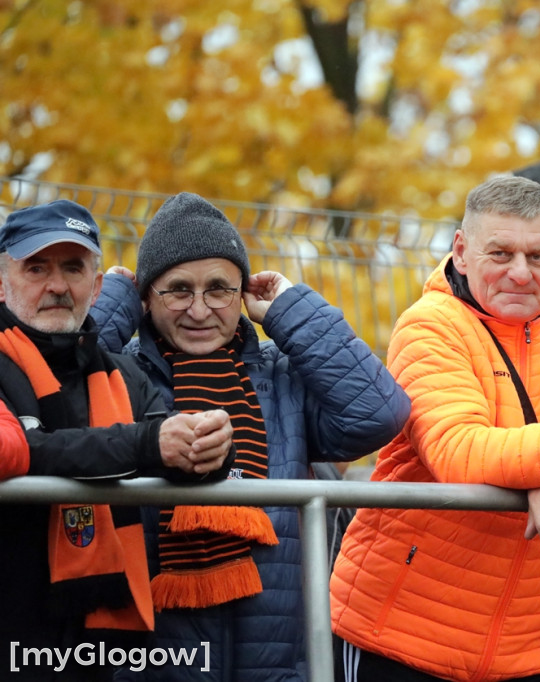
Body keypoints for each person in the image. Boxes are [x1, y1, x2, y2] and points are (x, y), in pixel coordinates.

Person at [329, 174, 540, 682]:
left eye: (537, 257)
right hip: (399, 635)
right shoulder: (428, 324)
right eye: (500, 254)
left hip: (522, 650)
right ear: (462, 251)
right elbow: (457, 450)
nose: (520, 273)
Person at [88, 191, 411, 681]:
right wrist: (113, 306)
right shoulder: (119, 373)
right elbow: (52, 384)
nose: (199, 310)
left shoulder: (283, 377)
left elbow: (378, 413)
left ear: (243, 296)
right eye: (178, 289)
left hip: (276, 664)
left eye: (219, 289)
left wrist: (289, 310)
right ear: (145, 298)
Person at [0, 199, 235, 681]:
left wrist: (208, 447)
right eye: (36, 268)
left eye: (73, 268)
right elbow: (29, 450)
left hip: (103, 649)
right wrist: (149, 444)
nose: (58, 285)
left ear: (98, 285)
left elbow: (171, 449)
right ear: (1, 283)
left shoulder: (125, 374)